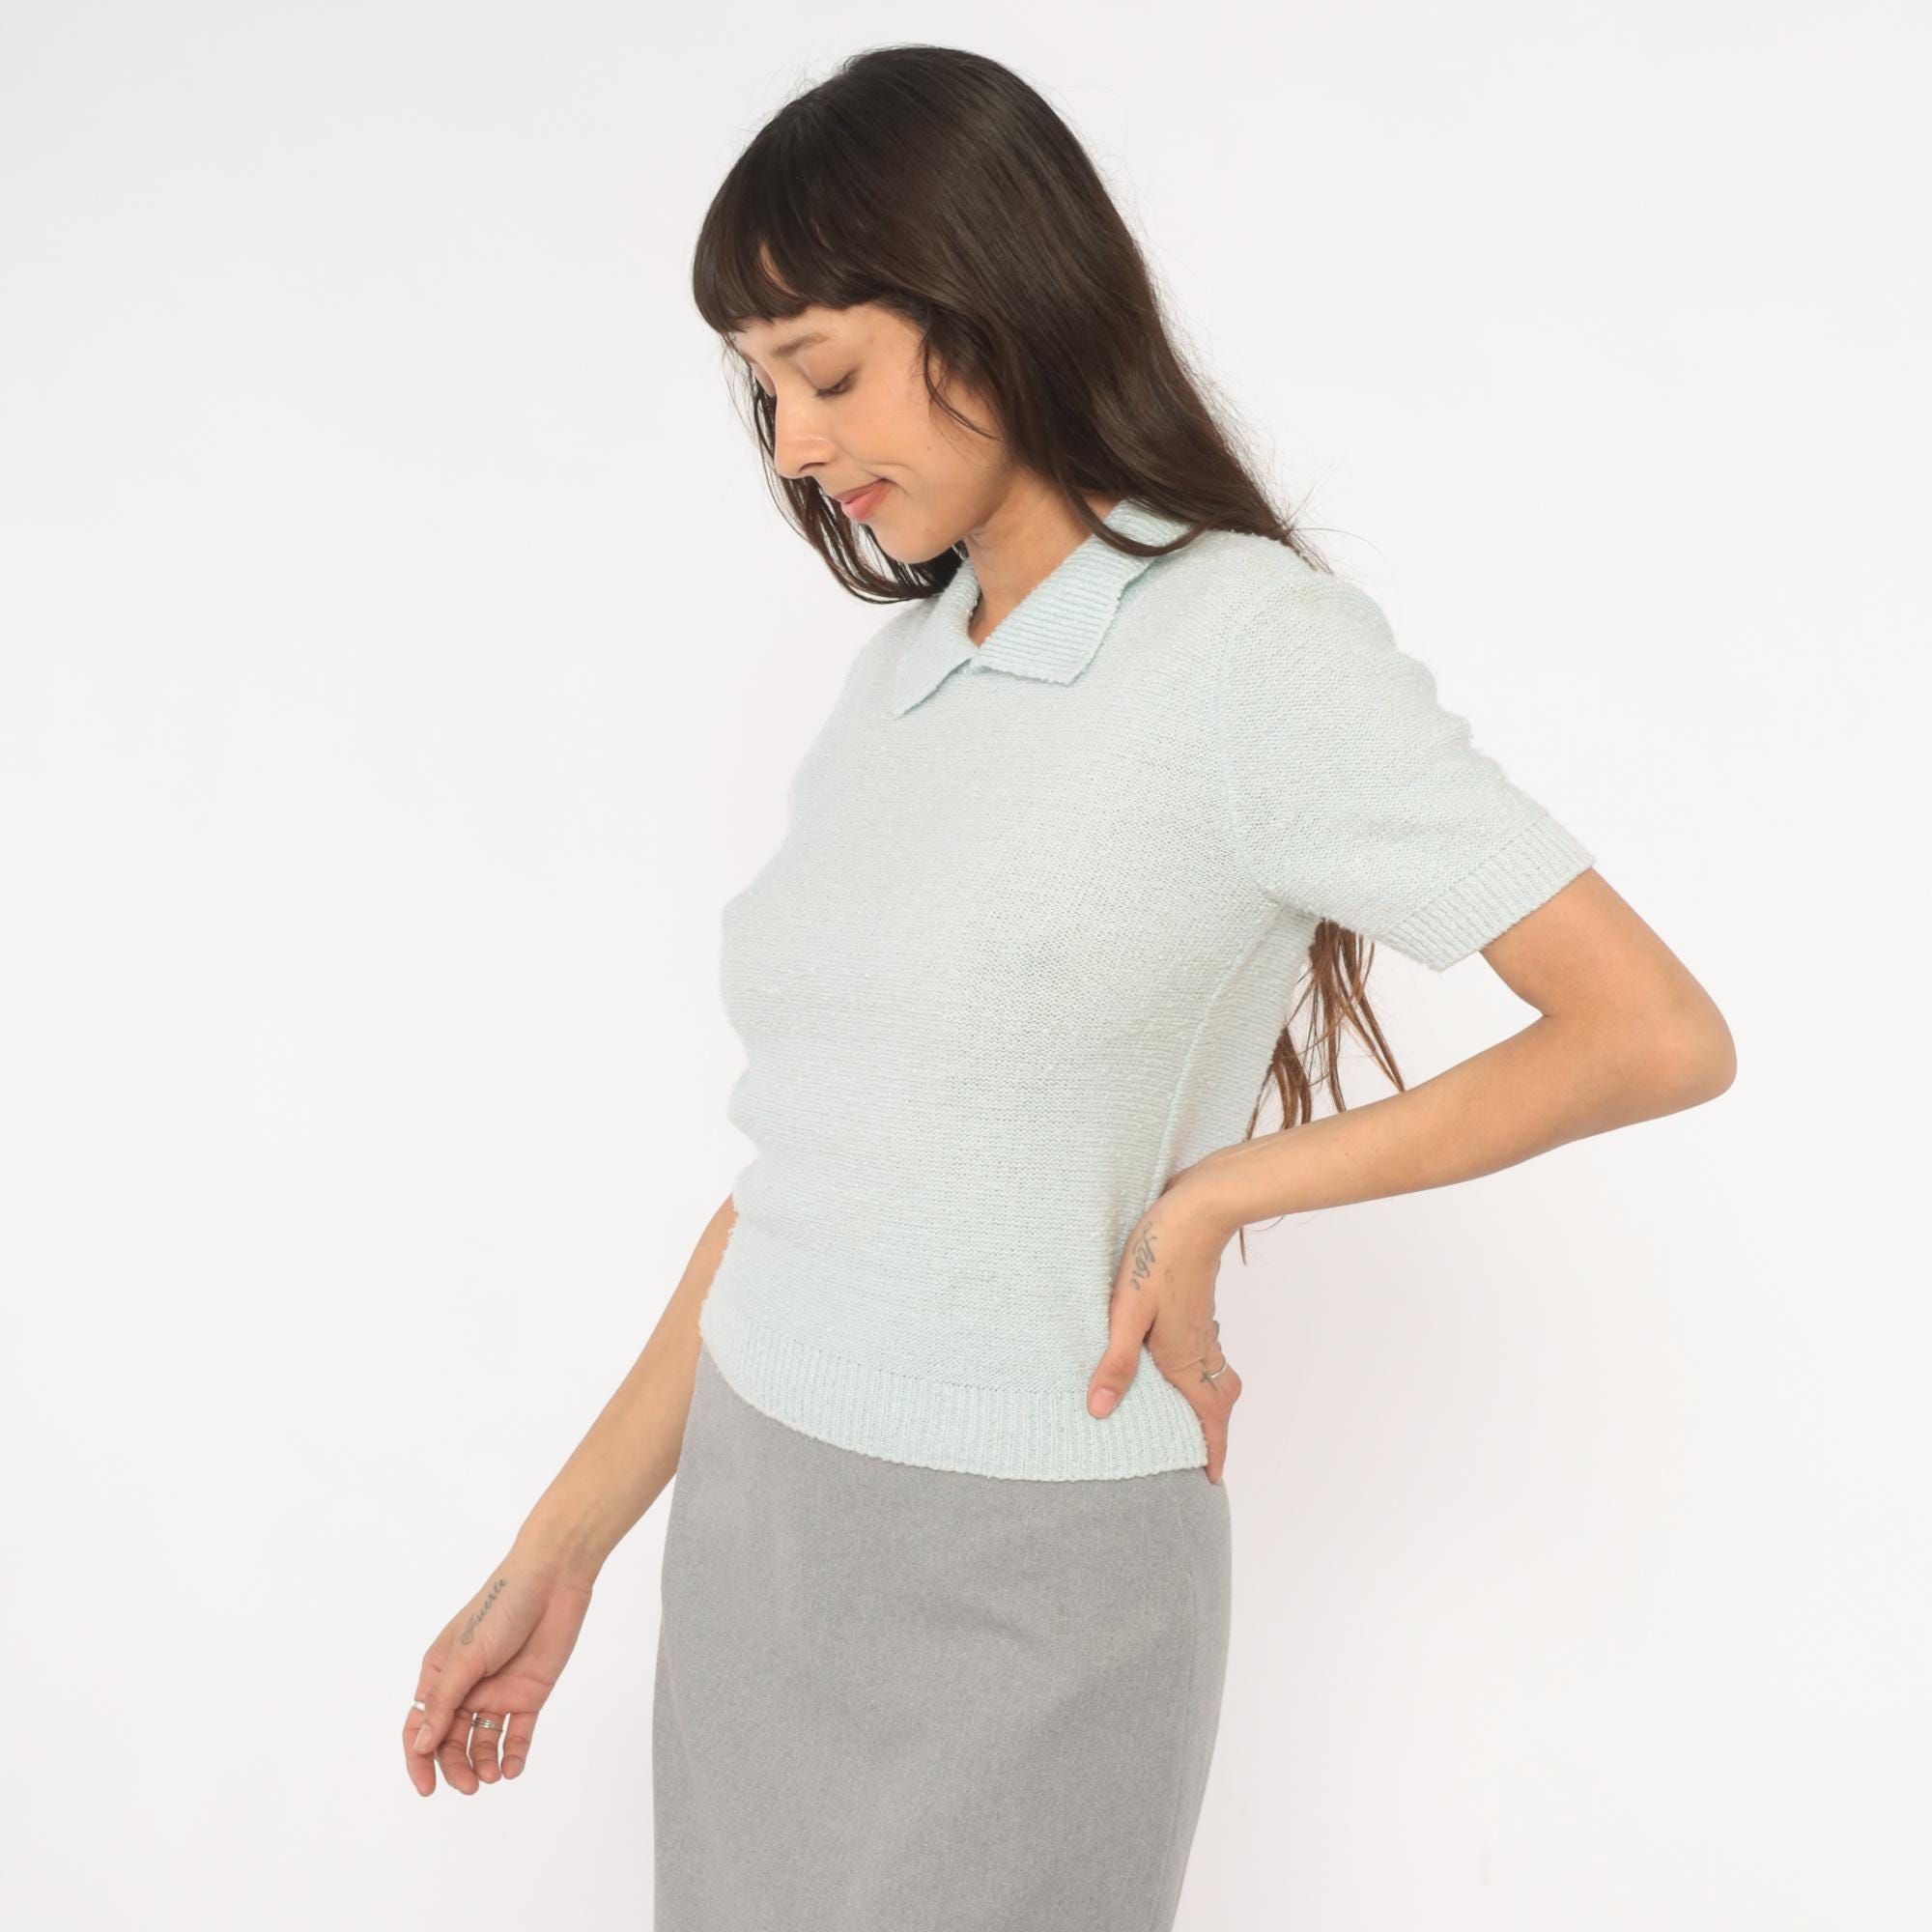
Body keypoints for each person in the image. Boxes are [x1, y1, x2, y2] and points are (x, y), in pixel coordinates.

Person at [400, 44, 1736, 1932]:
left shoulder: (1247, 648)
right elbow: (809, 1174)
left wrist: (1216, 1194)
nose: (792, 446)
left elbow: (1650, 1032)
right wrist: (561, 1546)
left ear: (992, 307)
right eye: (763, 389)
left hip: (1030, 1576)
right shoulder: (907, 671)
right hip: (758, 1523)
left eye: (825, 372)